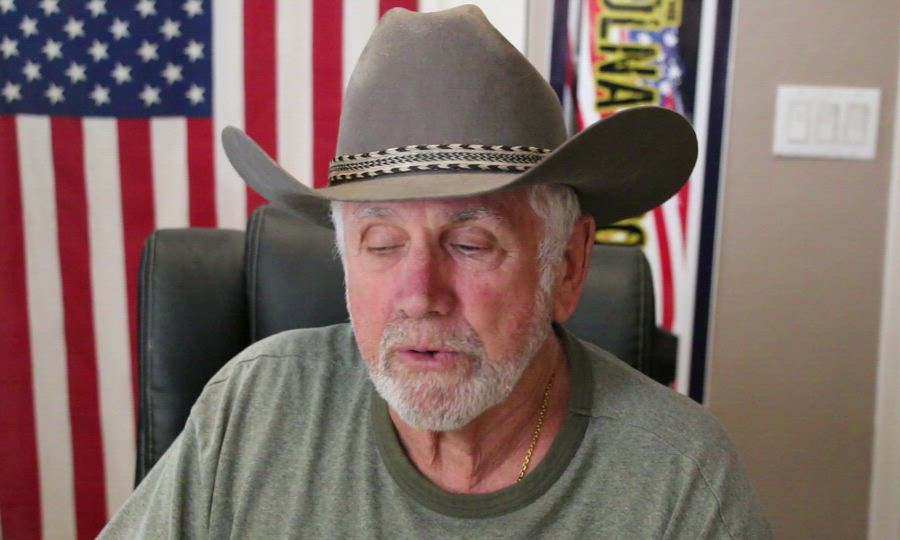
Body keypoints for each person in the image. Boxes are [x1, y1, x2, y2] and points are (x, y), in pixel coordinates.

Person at [100, 5, 771, 539]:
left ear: (567, 266)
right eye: (382, 243)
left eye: (471, 243)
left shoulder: (681, 478)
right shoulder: (253, 408)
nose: (419, 296)